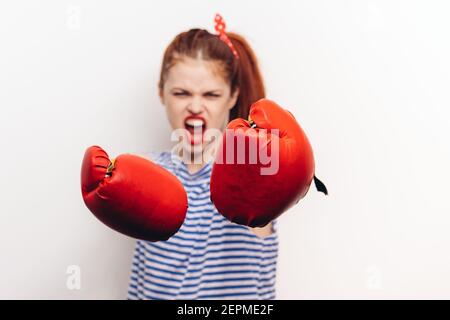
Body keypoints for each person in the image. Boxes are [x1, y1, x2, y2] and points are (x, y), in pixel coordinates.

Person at [127, 18, 279, 300]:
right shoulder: (146, 173)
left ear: (233, 95)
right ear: (161, 93)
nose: (195, 107)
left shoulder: (252, 169)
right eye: (181, 93)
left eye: (211, 95)